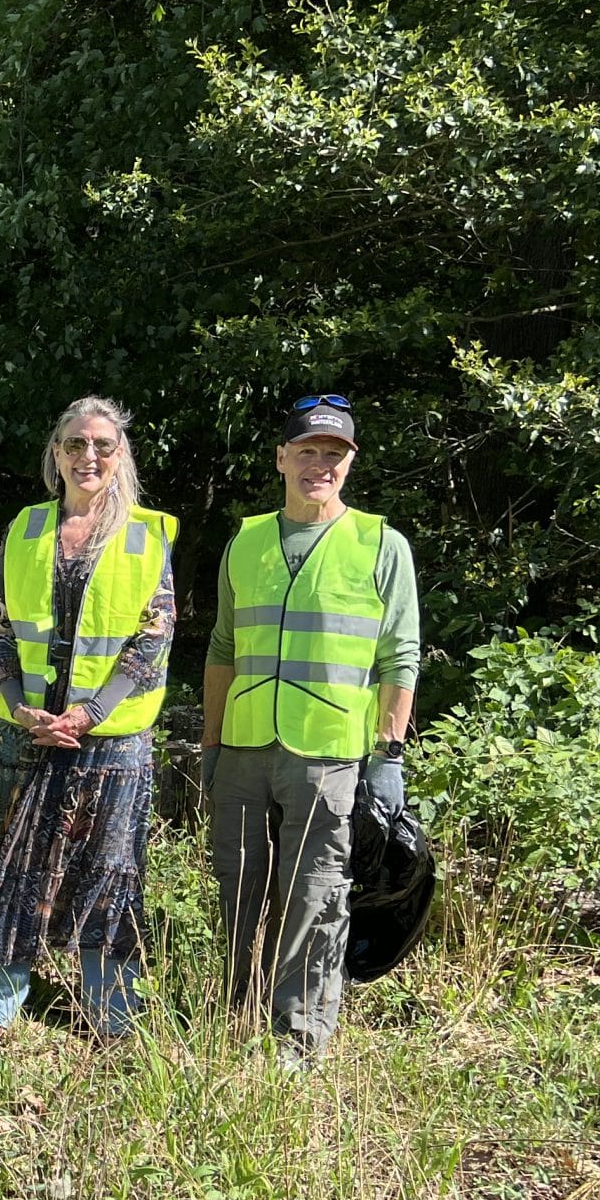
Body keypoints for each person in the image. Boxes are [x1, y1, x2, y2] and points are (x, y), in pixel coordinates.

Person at [0, 398, 178, 1043]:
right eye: (75, 444)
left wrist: (90, 711)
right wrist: (19, 703)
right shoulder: (24, 527)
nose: (89, 456)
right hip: (24, 730)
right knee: (5, 858)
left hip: (111, 739)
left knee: (109, 867)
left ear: (121, 454)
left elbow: (155, 632)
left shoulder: (145, 534)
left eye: (102, 444)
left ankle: (110, 1011)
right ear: (56, 453)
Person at [202, 395, 419, 1061]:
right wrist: (210, 745)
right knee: (240, 888)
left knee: (316, 895)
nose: (319, 464)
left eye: (334, 454)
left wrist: (388, 755)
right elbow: (221, 650)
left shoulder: (381, 545)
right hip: (243, 749)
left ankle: (299, 1037)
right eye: (307, 451)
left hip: (329, 755)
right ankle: (233, 1012)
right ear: (281, 459)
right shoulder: (247, 541)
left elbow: (398, 656)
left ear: (349, 465)